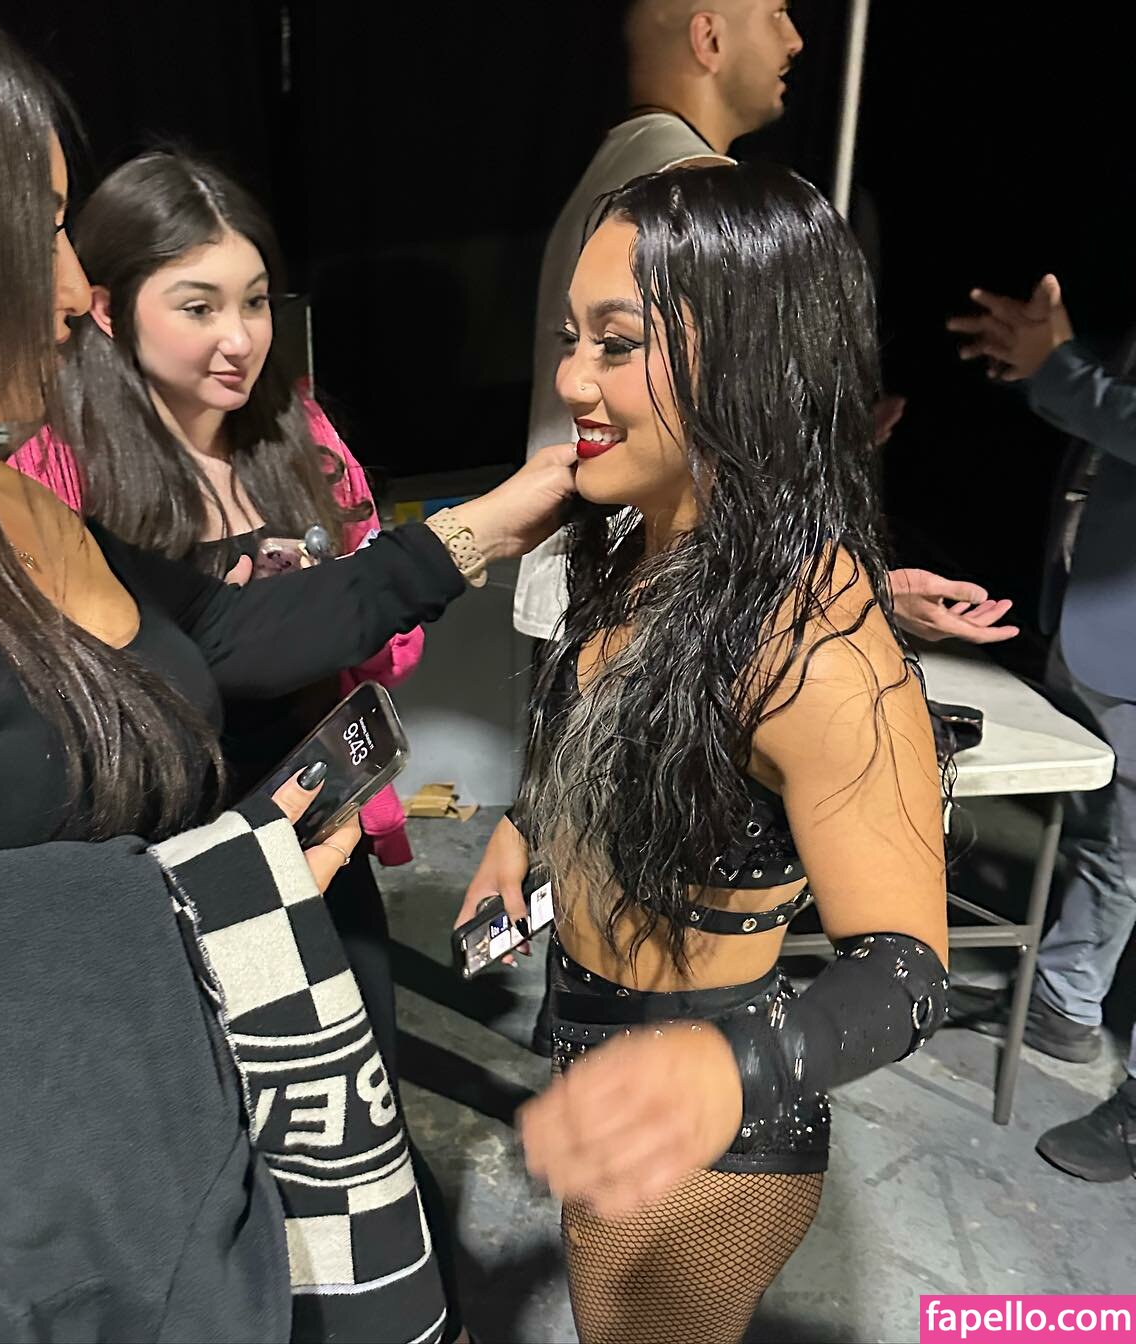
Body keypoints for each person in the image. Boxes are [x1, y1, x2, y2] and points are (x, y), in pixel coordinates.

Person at [0, 3, 575, 1338]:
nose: (73, 292)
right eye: (41, 229)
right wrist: (200, 913)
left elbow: (217, 633)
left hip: (134, 1160)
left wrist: (489, 525)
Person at [460, 163, 950, 1344]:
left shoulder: (817, 649)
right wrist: (528, 828)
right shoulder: (640, 542)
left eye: (617, 343)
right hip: (603, 1057)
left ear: (749, 354)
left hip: (713, 1149)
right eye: (571, 338)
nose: (572, 379)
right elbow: (608, 730)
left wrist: (722, 1072)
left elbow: (907, 973)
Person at [8, 148, 465, 1336]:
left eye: (255, 301)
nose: (239, 339)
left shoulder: (295, 430)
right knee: (205, 1135)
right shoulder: (59, 463)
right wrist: (247, 628)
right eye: (199, 305)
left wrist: (340, 624)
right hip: (169, 852)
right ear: (108, 307)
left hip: (319, 831)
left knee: (352, 1104)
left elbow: (387, 617)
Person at [513, 0, 1015, 648]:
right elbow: (739, 435)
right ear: (708, 37)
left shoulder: (620, 175)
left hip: (610, 593)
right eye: (777, 13)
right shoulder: (694, 202)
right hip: (661, 611)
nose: (797, 40)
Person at [947, 275, 1136, 1181]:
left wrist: (1060, 371)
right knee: (1108, 837)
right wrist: (1054, 364)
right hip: (1102, 617)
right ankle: (1065, 1001)